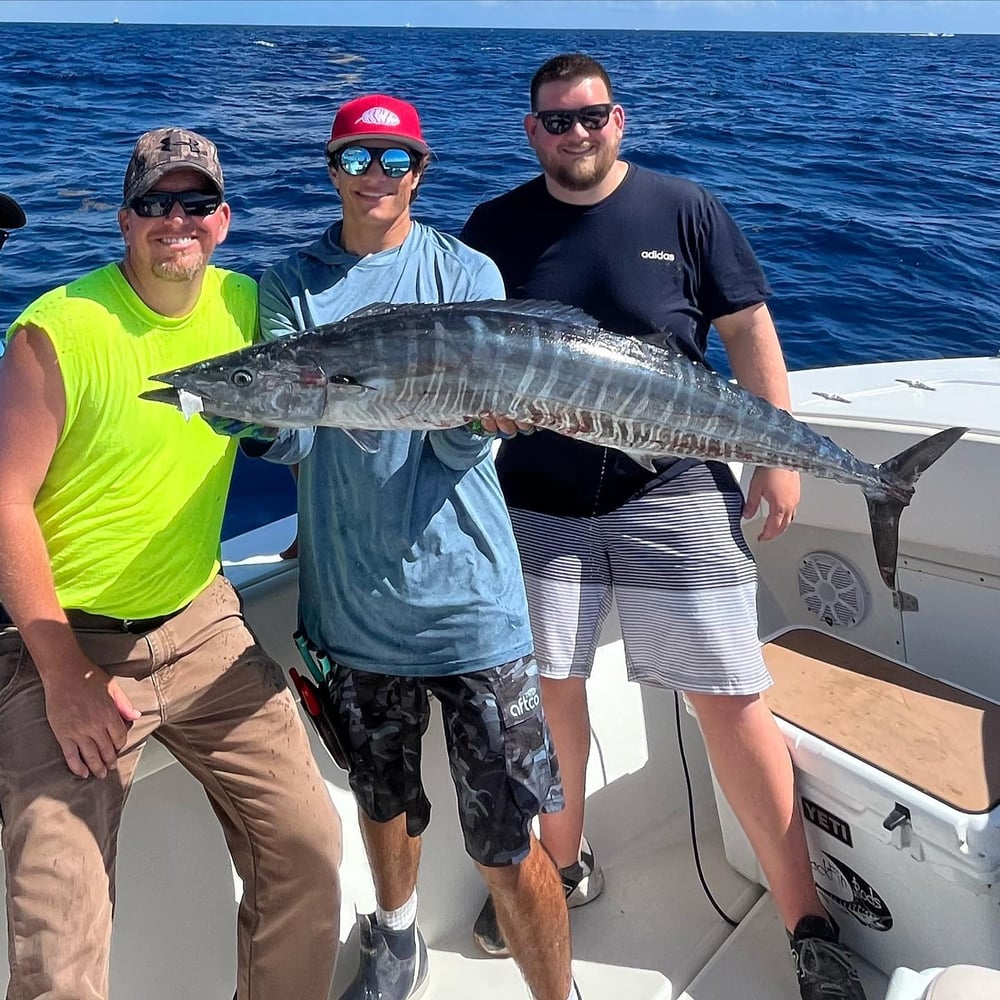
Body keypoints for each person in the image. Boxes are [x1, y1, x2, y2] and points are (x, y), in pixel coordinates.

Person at [461, 53, 868, 1000]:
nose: (575, 134)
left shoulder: (684, 208)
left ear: (620, 121)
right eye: (555, 122)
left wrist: (777, 453)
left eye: (590, 116)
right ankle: (563, 867)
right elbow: (469, 354)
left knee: (729, 696)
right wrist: (484, 409)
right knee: (549, 697)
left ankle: (807, 919)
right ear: (531, 132)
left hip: (673, 486)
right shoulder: (495, 226)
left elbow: (748, 330)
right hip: (539, 498)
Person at [0, 127, 342, 1000]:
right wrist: (65, 674)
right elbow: (4, 504)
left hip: (202, 628)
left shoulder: (249, 305)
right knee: (59, 943)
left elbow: (331, 401)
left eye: (195, 204)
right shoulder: (59, 329)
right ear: (125, 220)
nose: (175, 221)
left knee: (308, 848)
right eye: (155, 204)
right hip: (65, 651)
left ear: (224, 221)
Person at [255, 94, 579, 1000]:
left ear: (420, 172)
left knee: (509, 843)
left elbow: (460, 437)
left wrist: (481, 423)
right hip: (352, 612)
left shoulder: (465, 271)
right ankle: (396, 940)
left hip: (472, 606)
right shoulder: (289, 287)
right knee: (381, 800)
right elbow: (291, 436)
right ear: (331, 168)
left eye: (394, 162)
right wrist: (250, 420)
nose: (375, 177)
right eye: (357, 158)